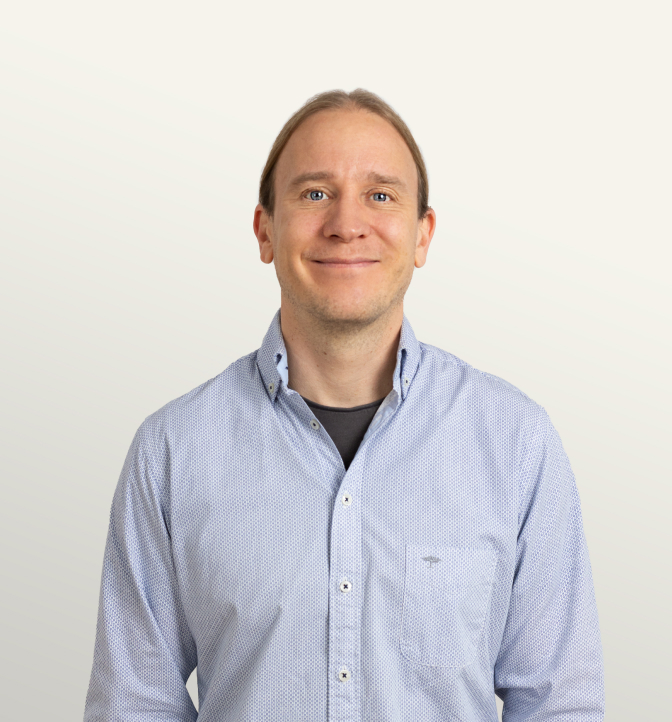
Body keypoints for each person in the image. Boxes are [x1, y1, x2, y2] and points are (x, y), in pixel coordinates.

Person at [83, 89, 604, 721]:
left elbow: (559, 707)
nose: (346, 223)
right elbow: (133, 708)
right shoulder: (171, 453)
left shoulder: (517, 444)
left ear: (423, 234)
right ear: (264, 230)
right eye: (314, 193)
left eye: (380, 194)